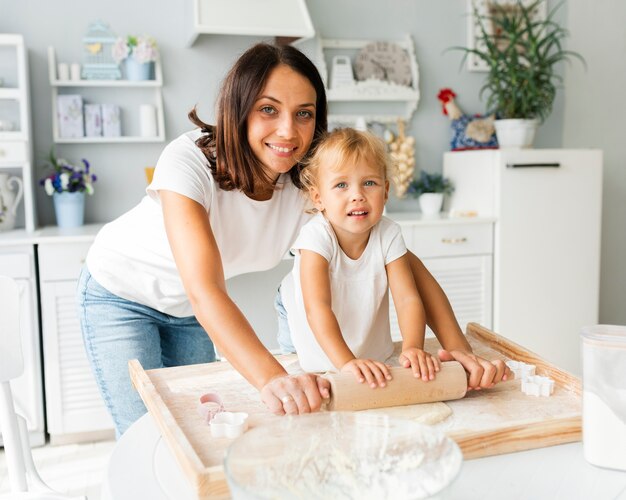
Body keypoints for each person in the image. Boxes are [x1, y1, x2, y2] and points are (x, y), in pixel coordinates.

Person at [77, 42, 508, 437]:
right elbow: (205, 290)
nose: (288, 131)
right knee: (145, 434)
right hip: (121, 294)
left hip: (189, 312)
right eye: (268, 109)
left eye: (304, 113)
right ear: (239, 108)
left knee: (193, 430)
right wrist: (273, 378)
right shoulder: (188, 160)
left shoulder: (312, 180)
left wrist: (457, 350)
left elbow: (405, 265)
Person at [278, 128, 440, 388]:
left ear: (385, 191)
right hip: (305, 320)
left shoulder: (389, 234)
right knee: (307, 376)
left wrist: (412, 348)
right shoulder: (315, 237)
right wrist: (346, 363)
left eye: (369, 183)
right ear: (319, 198)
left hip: (360, 320)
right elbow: (317, 308)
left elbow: (408, 299)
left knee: (370, 368)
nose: (357, 195)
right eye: (341, 185)